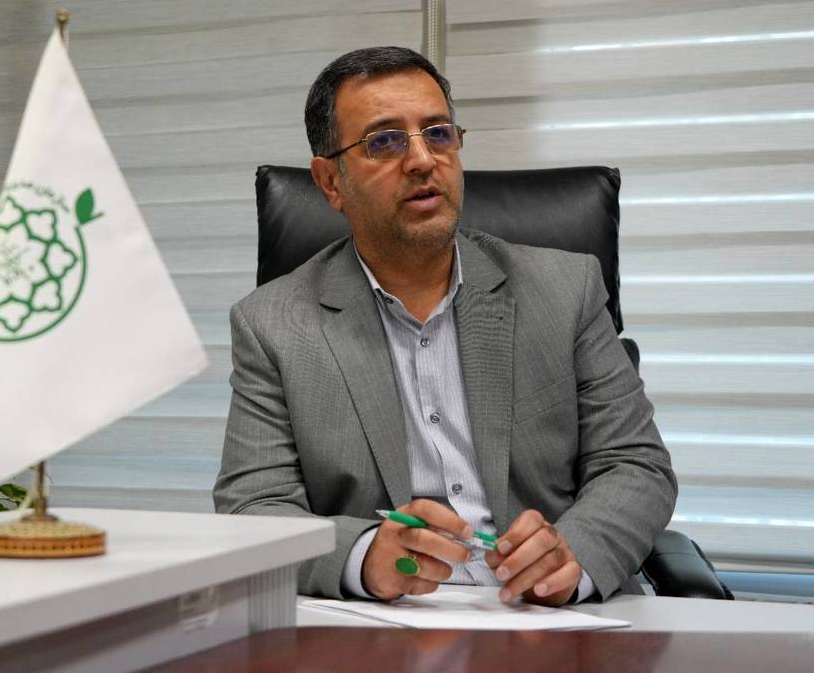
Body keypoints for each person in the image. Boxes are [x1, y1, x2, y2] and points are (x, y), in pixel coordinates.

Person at [213, 46, 677, 605]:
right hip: (382, 620)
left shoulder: (564, 288)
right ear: (330, 182)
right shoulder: (272, 324)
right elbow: (253, 507)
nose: (421, 160)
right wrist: (363, 556)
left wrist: (571, 557)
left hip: (546, 618)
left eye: (437, 133)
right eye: (384, 141)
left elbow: (635, 463)